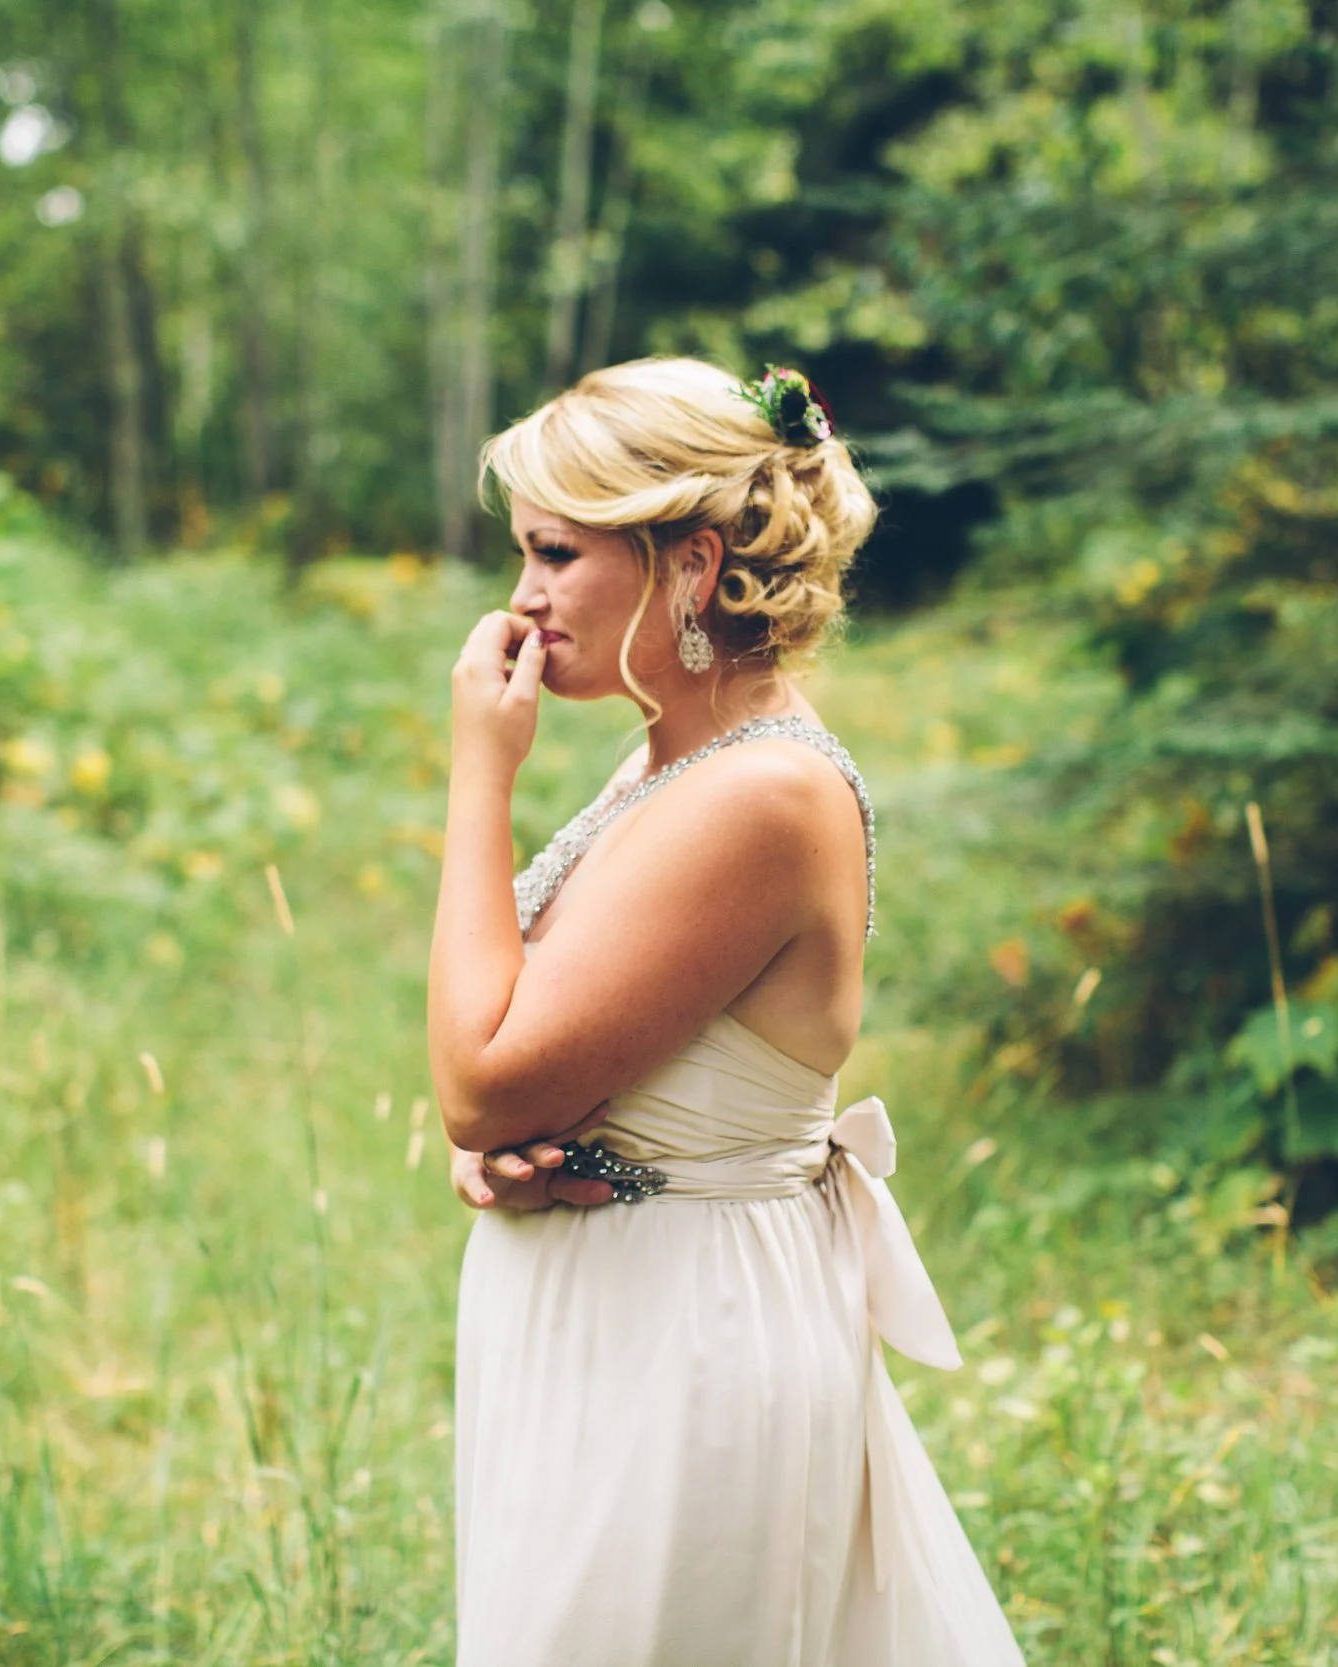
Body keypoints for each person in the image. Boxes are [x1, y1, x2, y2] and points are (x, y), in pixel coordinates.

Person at [427, 358, 1023, 1666]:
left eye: (554, 553)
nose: (521, 598)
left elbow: (480, 1069)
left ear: (690, 568)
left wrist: (481, 773)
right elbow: (536, 1053)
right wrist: (510, 1146)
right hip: (606, 1314)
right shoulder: (673, 751)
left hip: (686, 1338)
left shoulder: (760, 795)